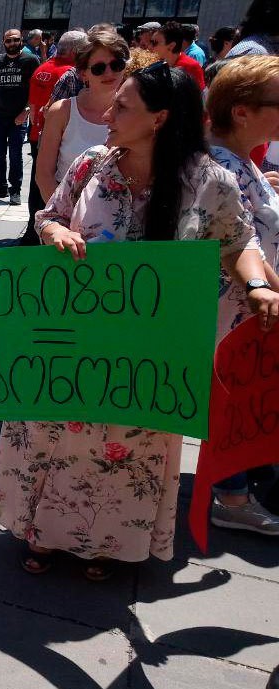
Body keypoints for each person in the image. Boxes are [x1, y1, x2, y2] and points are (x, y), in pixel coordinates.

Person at [0, 63, 279, 579]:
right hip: (73, 340)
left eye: (122, 107)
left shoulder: (210, 181)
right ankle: (41, 534)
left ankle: (106, 543)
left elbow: (238, 243)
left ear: (159, 118)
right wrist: (55, 233)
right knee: (57, 435)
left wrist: (257, 286)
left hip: (151, 354)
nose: (108, 115)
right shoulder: (92, 165)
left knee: (126, 447)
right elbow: (49, 215)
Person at [205, 55, 279, 535]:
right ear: (242, 112)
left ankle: (242, 483)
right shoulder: (223, 169)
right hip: (237, 308)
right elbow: (239, 242)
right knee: (230, 398)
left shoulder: (239, 162)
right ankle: (231, 497)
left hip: (249, 307)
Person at [35, 29, 128, 204]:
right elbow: (44, 175)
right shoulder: (62, 111)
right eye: (99, 68)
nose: (109, 73)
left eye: (116, 65)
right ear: (83, 73)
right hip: (67, 212)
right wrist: (62, 215)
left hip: (119, 215)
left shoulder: (135, 112)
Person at [20, 29, 86, 245]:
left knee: (37, 185)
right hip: (56, 139)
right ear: (76, 50)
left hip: (37, 133)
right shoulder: (69, 73)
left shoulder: (43, 68)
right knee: (52, 185)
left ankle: (32, 230)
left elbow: (33, 105)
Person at [0, 29, 39, 205]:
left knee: (15, 154)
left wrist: (26, 111)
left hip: (19, 116)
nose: (12, 43)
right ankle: (0, 187)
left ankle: (15, 190)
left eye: (15, 40)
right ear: (4, 42)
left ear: (21, 41)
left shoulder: (31, 61)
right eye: (8, 40)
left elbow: (36, 89)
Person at [150, 21, 206, 90]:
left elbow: (200, 94)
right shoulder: (159, 64)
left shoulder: (190, 66)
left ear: (171, 46)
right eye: (151, 42)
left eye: (154, 43)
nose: (150, 47)